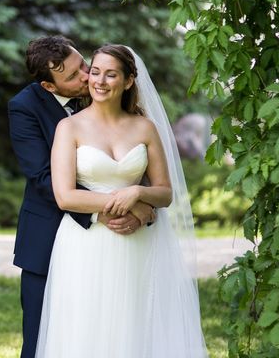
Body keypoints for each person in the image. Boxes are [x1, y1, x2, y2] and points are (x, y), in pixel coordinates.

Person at [35, 44, 207, 357]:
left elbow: (165, 192)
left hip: (138, 243)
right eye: (95, 72)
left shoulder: (145, 127)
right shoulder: (69, 127)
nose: (99, 80)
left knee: (138, 321)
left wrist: (138, 193)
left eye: (111, 74)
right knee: (87, 325)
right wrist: (124, 204)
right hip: (85, 244)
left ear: (128, 81)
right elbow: (64, 195)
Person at [8, 36, 156, 358]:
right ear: (49, 87)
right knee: (42, 339)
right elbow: (43, 179)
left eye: (83, 66)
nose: (88, 78)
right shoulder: (25, 108)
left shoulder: (104, 94)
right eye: (74, 77)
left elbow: (134, 161)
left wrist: (145, 207)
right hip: (48, 238)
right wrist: (112, 208)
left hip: (119, 246)